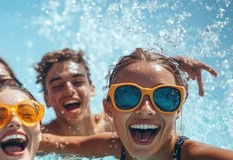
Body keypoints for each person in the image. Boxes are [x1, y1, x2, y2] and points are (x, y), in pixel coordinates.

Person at [42, 48, 233, 160]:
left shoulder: (195, 159)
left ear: (179, 107)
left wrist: (168, 64)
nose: (145, 109)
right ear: (109, 107)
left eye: (165, 96)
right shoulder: (113, 144)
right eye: (127, 96)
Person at [35, 48, 218, 136]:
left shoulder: (114, 122)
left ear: (92, 89)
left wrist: (171, 66)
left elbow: (140, 87)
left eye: (77, 81)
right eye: (57, 86)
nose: (69, 89)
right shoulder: (42, 136)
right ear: (47, 99)